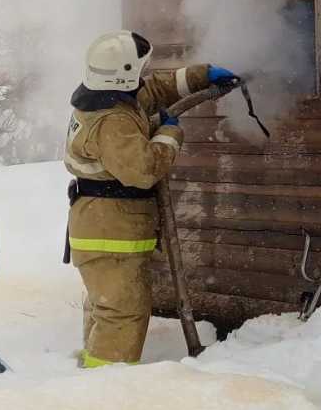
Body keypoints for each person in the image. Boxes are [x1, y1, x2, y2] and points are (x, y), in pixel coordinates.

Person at [64, 30, 236, 367]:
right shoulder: (112, 120)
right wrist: (169, 133)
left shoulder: (108, 97)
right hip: (109, 229)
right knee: (122, 312)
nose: (142, 77)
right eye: (137, 71)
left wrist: (202, 75)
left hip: (103, 225)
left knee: (107, 304)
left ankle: (92, 370)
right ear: (122, 73)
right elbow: (143, 170)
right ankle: (106, 385)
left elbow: (154, 89)